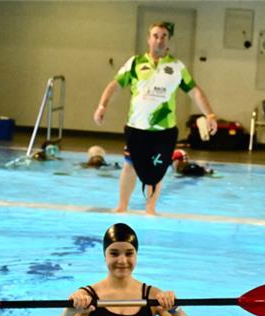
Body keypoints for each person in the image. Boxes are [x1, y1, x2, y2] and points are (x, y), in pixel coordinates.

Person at [93, 22, 219, 215]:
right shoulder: (135, 63)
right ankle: (122, 207)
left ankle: (150, 209)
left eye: (164, 36)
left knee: (157, 170)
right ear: (148, 39)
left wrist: (209, 114)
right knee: (130, 166)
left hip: (164, 131)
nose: (159, 40)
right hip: (137, 128)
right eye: (155, 35)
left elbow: (194, 91)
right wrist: (102, 105)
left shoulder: (176, 67)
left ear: (168, 40)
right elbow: (115, 85)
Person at [46, 223, 201, 316]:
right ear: (104, 256)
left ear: (136, 255)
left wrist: (175, 309)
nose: (122, 260)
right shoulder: (87, 296)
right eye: (114, 253)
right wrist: (70, 311)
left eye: (129, 254)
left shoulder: (153, 295)